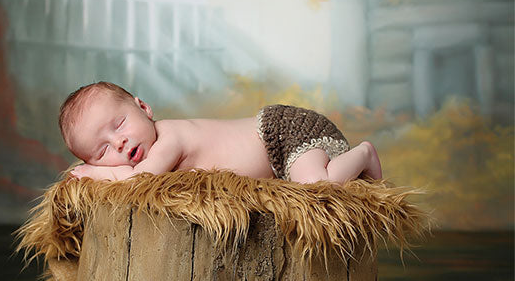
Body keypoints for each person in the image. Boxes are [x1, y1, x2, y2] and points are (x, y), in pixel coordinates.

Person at [59, 81, 382, 185]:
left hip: (283, 132)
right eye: (102, 152)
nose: (119, 142)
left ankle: (364, 153)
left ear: (144, 108)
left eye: (119, 125)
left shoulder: (170, 138)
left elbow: (140, 180)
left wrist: (96, 173)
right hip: (279, 155)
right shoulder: (155, 146)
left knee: (315, 187)